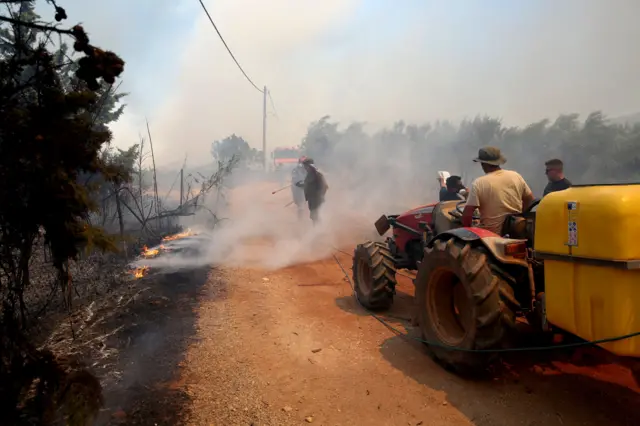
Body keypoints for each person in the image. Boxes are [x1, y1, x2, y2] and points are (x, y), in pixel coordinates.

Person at [462, 146, 535, 235]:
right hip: (516, 231)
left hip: (491, 236)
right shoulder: (516, 176)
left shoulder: (479, 183)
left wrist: (467, 233)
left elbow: (467, 214)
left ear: (483, 164)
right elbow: (530, 199)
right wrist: (521, 217)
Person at [295, 158, 328, 224]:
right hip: (312, 199)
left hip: (316, 199)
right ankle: (317, 229)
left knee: (315, 215)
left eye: (306, 166)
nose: (305, 168)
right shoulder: (310, 175)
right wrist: (301, 185)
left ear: (309, 166)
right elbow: (308, 185)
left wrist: (319, 195)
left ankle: (319, 230)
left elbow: (325, 186)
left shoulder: (317, 175)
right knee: (314, 216)